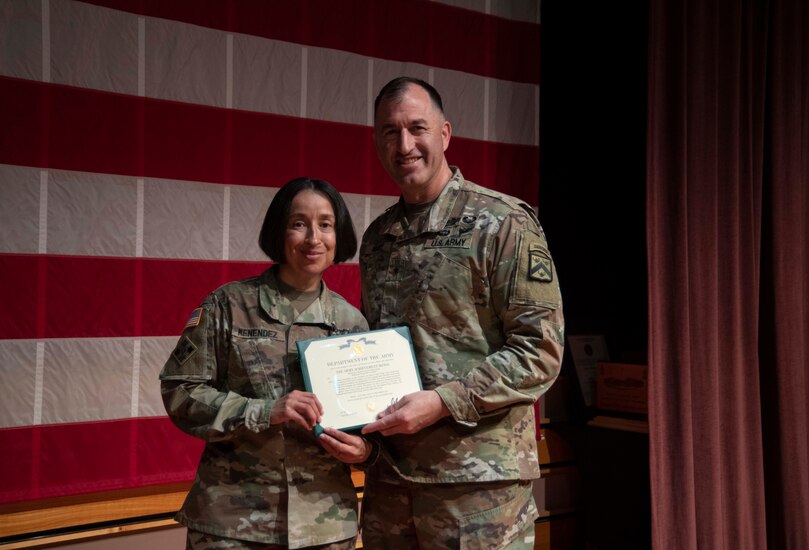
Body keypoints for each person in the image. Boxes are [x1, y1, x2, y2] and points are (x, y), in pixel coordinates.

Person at [357, 76, 565, 548]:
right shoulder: (376, 239)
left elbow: (540, 351)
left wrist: (443, 401)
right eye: (390, 132)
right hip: (391, 482)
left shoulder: (503, 223)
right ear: (376, 141)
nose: (405, 144)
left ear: (445, 134)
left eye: (417, 128)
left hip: (478, 488)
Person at [160, 177, 372, 550]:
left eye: (325, 224)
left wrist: (365, 451)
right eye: (298, 224)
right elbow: (180, 391)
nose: (313, 238)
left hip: (323, 528)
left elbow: (372, 421)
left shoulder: (353, 324)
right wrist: (264, 411)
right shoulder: (227, 306)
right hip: (233, 526)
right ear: (279, 231)